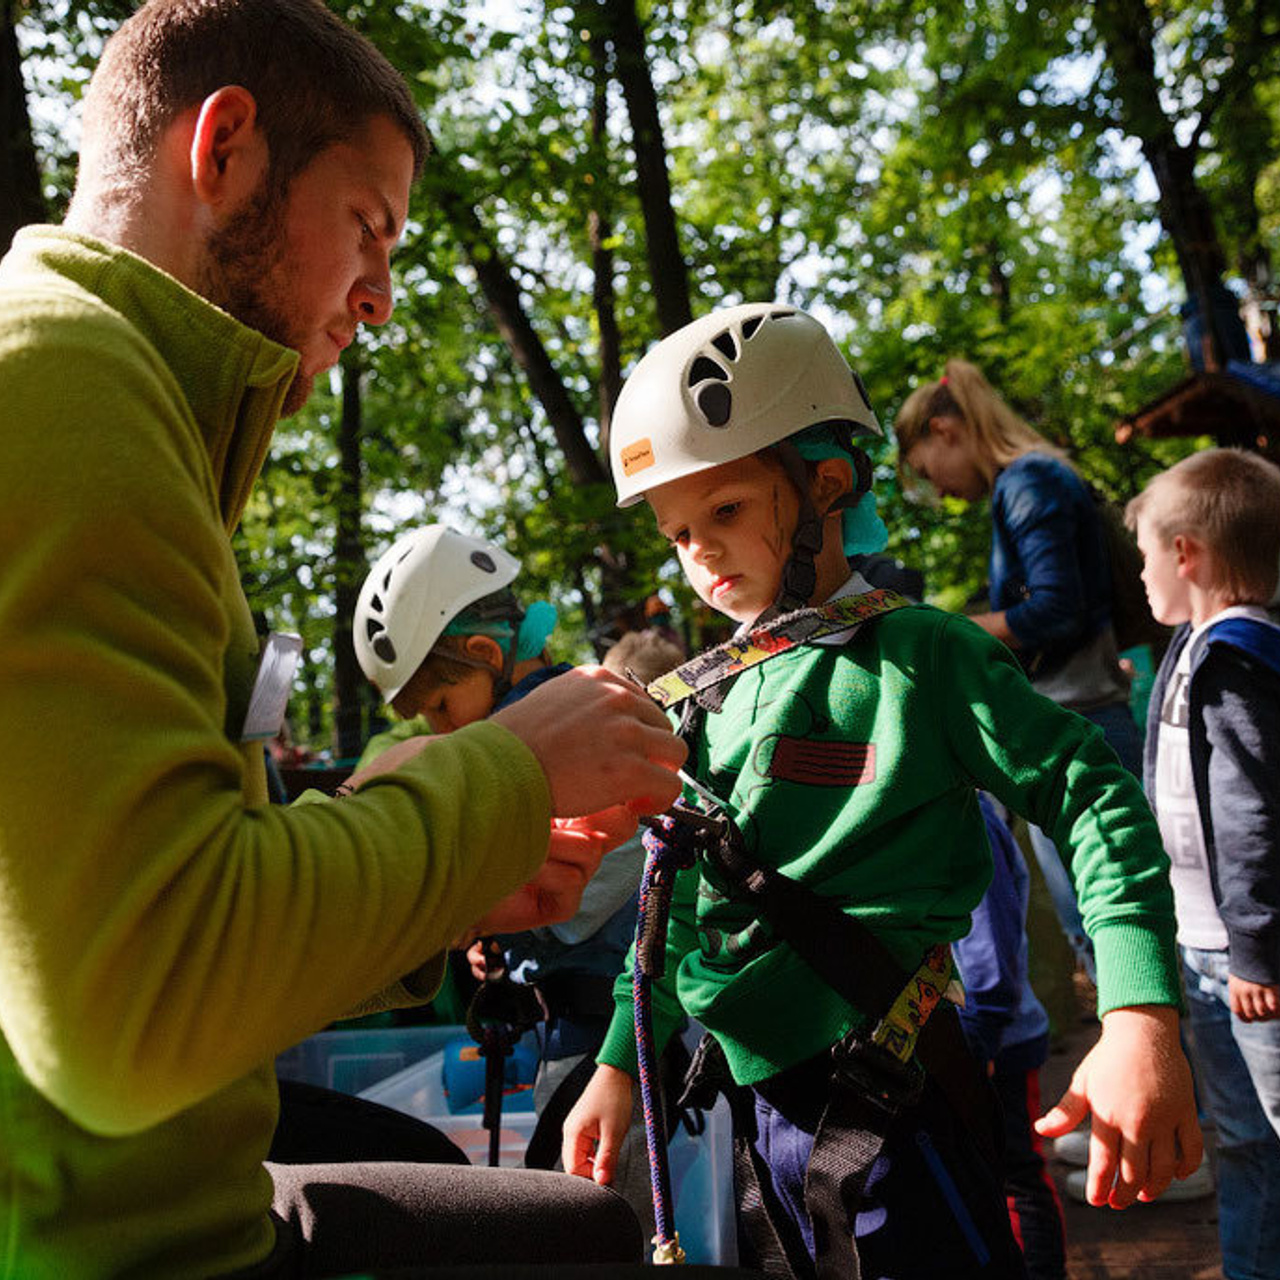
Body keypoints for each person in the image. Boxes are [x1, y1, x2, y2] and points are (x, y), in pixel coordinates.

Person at [0, 3, 688, 1277]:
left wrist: (444, 879)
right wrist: (503, 770)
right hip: (122, 1245)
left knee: (578, 1223)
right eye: (369, 228)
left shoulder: (122, 403)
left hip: (174, 1195)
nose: (375, 300)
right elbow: (131, 1004)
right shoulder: (65, 383)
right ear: (226, 149)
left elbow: (185, 911)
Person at [562, 302, 1200, 1279]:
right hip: (753, 1113)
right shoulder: (712, 699)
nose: (698, 553)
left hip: (891, 1091)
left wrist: (1136, 1013)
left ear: (822, 485)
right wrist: (619, 1061)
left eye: (724, 511)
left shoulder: (920, 656)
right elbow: (679, 907)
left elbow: (1088, 790)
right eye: (677, 531)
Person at [352, 523, 659, 1227]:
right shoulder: (558, 724)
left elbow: (601, 879)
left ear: (488, 656)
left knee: (600, 1223)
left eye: (439, 705)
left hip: (609, 1038)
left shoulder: (557, 739)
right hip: (578, 1031)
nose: (440, 727)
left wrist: (491, 913)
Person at [895, 360, 1144, 987]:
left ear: (946, 429)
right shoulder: (1030, 482)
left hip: (1078, 723)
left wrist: (947, 633)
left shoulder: (1028, 483)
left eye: (927, 470)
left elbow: (1057, 607)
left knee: (1112, 936)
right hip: (1079, 716)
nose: (943, 491)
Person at [1126, 448, 1280, 1280]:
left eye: (1147, 554)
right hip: (1207, 947)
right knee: (1246, 1138)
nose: (1139, 576)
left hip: (1247, 961)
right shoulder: (1193, 645)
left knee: (1270, 1135)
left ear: (1187, 554)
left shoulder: (1236, 655)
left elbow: (1250, 812)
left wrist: (1256, 946)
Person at [957, 796, 1066, 1280]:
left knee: (1016, 1178)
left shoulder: (965, 818)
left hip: (997, 1043)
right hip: (969, 1040)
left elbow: (989, 954)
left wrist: (982, 1035)